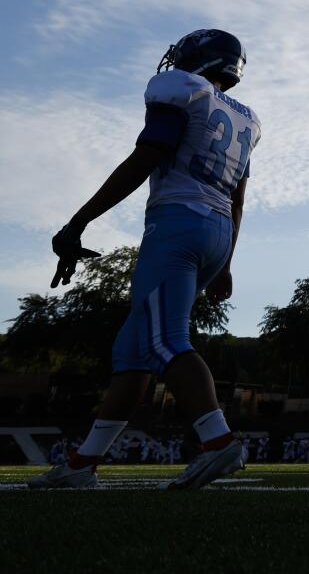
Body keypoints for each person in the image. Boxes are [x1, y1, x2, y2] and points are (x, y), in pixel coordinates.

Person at [28, 30, 259, 491]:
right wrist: (227, 261)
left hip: (177, 225)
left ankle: (218, 442)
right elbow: (238, 198)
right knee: (133, 354)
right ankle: (82, 462)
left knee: (163, 342)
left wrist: (79, 221)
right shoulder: (247, 118)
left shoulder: (180, 88)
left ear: (199, 56)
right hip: (216, 232)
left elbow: (146, 157)